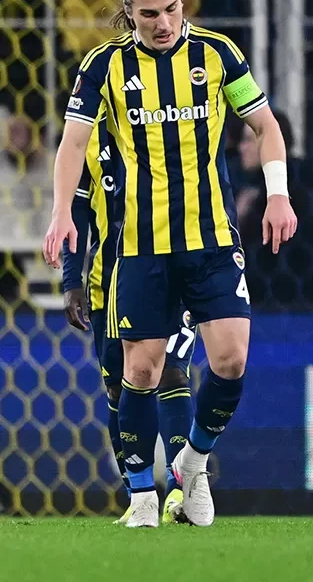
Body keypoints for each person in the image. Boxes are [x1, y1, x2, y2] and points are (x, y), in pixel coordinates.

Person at [43, 0, 297, 528]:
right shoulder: (103, 66)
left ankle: (193, 464)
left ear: (183, 3)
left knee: (231, 360)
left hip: (211, 240)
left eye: (172, 9)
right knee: (141, 373)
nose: (164, 23)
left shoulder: (218, 54)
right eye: (150, 14)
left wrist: (278, 194)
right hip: (140, 246)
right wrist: (61, 214)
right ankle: (141, 500)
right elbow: (74, 144)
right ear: (129, 13)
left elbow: (266, 126)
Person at [59, 106, 198, 525]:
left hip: (173, 272)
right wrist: (72, 279)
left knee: (172, 373)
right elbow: (75, 212)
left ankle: (181, 492)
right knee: (122, 389)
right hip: (110, 282)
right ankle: (139, 496)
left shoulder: (168, 114)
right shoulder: (87, 137)